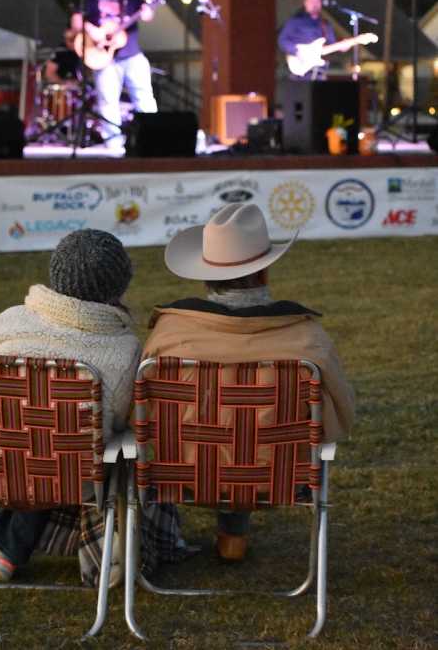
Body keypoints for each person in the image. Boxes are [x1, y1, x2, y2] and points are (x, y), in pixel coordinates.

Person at [0, 229, 187, 585]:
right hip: (73, 478)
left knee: (42, 441)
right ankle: (110, 539)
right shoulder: (123, 349)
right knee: (97, 445)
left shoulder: (3, 323)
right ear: (120, 285)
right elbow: (118, 421)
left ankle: (7, 549)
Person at [142, 203, 355, 561]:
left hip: (184, 476)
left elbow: (146, 414)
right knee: (246, 431)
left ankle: (231, 533)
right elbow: (339, 420)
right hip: (281, 479)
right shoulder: (306, 340)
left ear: (205, 274)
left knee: (219, 423)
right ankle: (233, 536)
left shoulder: (167, 338)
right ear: (265, 272)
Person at [70, 0, 158, 149]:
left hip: (132, 53)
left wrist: (148, 13)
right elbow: (77, 20)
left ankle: (152, 138)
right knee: (108, 102)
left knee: (144, 97)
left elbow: (147, 15)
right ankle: (113, 144)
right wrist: (93, 31)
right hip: (103, 56)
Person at [278, 0, 337, 80]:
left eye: (317, 1)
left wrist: (343, 46)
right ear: (305, 3)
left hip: (319, 72)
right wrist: (298, 49)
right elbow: (282, 40)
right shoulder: (295, 21)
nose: (314, 4)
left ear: (321, 3)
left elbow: (331, 44)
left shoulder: (326, 24)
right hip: (298, 71)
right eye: (311, 1)